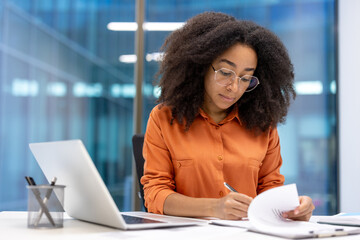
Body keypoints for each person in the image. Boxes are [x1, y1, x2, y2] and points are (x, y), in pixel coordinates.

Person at [140, 12, 315, 221]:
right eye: (225, 72)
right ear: (201, 66)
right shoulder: (164, 118)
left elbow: (271, 188)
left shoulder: (263, 125)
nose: (234, 87)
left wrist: (293, 209)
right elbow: (155, 194)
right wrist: (213, 208)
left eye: (245, 78)